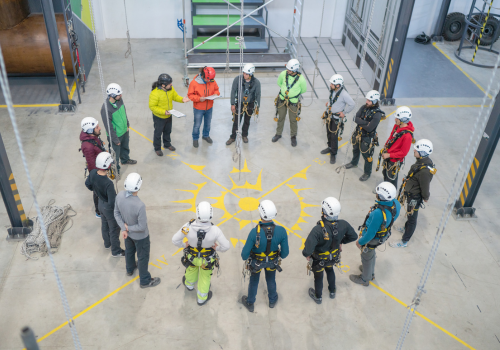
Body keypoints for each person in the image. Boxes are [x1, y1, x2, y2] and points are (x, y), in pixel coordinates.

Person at [172, 202, 230, 305]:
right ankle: (201, 299)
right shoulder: (215, 230)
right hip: (207, 260)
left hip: (192, 258)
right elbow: (226, 246)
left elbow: (175, 240)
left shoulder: (188, 226)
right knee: (204, 278)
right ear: (211, 214)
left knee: (191, 270)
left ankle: (189, 285)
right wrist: (217, 248)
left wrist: (184, 245)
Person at [302, 197, 357, 304]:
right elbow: (353, 236)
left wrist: (307, 254)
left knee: (318, 277)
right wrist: (341, 241)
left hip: (318, 260)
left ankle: (318, 297)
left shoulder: (317, 230)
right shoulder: (343, 224)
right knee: (330, 270)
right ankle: (332, 291)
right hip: (333, 258)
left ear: (324, 212)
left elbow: (307, 249)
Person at [241, 200, 289, 312]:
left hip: (256, 263)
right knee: (271, 279)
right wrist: (278, 256)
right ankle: (272, 300)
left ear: (260, 213)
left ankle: (250, 302)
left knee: (254, 281)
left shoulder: (254, 232)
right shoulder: (281, 231)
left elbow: (244, 255)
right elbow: (285, 253)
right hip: (272, 263)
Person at [114, 173, 161, 288]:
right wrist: (128, 228)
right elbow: (141, 227)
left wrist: (124, 228)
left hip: (127, 235)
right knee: (142, 257)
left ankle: (129, 269)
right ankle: (145, 280)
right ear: (139, 186)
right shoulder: (140, 205)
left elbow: (116, 213)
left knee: (129, 251)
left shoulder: (119, 195)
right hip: (140, 238)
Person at [349, 182, 400, 286]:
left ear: (380, 196)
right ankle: (369, 271)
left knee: (366, 256)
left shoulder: (378, 213)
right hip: (383, 235)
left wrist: (360, 241)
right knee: (371, 254)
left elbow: (370, 234)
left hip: (373, 239)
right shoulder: (396, 203)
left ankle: (365, 279)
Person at [390, 139, 436, 248]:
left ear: (423, 152)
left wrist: (425, 197)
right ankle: (405, 228)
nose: (414, 150)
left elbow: (425, 186)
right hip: (411, 194)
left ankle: (404, 241)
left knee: (412, 219)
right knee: (409, 215)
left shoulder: (425, 171)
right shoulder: (421, 162)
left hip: (415, 197)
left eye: (417, 149)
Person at [85, 152, 125, 257]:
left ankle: (107, 244)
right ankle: (116, 251)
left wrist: (97, 191)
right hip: (108, 207)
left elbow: (87, 184)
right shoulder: (108, 183)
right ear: (107, 165)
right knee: (114, 229)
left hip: (100, 204)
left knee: (104, 224)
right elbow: (112, 202)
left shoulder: (93, 172)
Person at [345, 90, 384, 181]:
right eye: (367, 99)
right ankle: (354, 162)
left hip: (367, 137)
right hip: (358, 133)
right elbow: (355, 118)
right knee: (355, 149)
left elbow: (370, 128)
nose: (367, 101)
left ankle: (367, 173)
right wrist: (366, 123)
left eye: (369, 101)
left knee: (367, 155)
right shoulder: (364, 107)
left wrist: (361, 122)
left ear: (374, 102)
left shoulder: (377, 114)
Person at [149, 73, 190, 156]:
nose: (171, 84)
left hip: (169, 115)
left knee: (168, 131)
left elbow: (175, 97)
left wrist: (182, 99)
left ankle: (167, 144)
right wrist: (163, 112)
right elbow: (152, 107)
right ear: (163, 85)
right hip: (159, 117)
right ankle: (157, 148)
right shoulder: (155, 93)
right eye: (169, 83)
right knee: (158, 133)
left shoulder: (170, 89)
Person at [100, 83, 137, 174]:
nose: (121, 95)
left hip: (124, 130)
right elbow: (108, 126)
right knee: (114, 155)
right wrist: (115, 139)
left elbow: (124, 112)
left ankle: (125, 160)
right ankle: (115, 170)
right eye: (119, 94)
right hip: (115, 135)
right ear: (112, 95)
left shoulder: (119, 100)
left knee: (125, 147)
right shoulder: (105, 109)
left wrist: (127, 125)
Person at [376, 106, 415, 188]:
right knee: (385, 173)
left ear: (403, 120)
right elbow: (391, 137)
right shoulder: (396, 126)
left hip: (394, 160)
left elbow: (403, 153)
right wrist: (386, 147)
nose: (395, 119)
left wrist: (389, 155)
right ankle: (385, 188)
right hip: (388, 155)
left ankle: (390, 195)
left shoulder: (407, 136)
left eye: (397, 118)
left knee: (391, 179)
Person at [272, 59, 307, 147]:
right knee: (281, 117)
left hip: (293, 102)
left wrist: (293, 94)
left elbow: (303, 90)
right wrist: (285, 91)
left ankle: (293, 136)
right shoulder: (283, 74)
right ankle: (278, 134)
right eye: (287, 69)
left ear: (295, 70)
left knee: (293, 120)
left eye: (290, 70)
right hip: (282, 99)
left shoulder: (301, 79)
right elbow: (279, 83)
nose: (288, 71)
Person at [320, 74, 355, 164]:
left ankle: (333, 153)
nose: (330, 85)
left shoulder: (344, 94)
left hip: (336, 118)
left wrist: (344, 112)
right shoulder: (332, 90)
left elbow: (352, 104)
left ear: (338, 85)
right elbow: (333, 99)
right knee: (328, 132)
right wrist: (329, 104)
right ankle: (330, 147)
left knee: (334, 136)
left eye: (332, 84)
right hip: (329, 115)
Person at [226, 63, 261, 145]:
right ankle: (232, 137)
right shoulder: (237, 80)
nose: (244, 75)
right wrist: (232, 104)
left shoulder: (256, 82)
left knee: (247, 121)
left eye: (246, 74)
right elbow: (233, 91)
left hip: (250, 104)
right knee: (236, 121)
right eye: (244, 73)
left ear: (251, 74)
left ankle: (244, 135)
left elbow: (258, 94)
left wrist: (257, 106)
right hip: (239, 103)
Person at [187, 67, 220, 148]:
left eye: (210, 80)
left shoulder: (212, 80)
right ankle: (195, 139)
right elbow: (190, 95)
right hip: (198, 108)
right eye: (207, 79)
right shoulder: (194, 83)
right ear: (202, 75)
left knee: (207, 124)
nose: (209, 81)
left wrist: (216, 94)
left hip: (209, 107)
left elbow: (216, 89)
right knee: (197, 125)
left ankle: (205, 136)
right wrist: (198, 99)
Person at [80, 117, 105, 218]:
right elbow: (92, 165)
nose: (100, 128)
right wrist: (99, 175)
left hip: (100, 168)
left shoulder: (92, 138)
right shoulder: (88, 146)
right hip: (97, 172)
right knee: (97, 191)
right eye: (97, 127)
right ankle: (99, 212)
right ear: (90, 130)